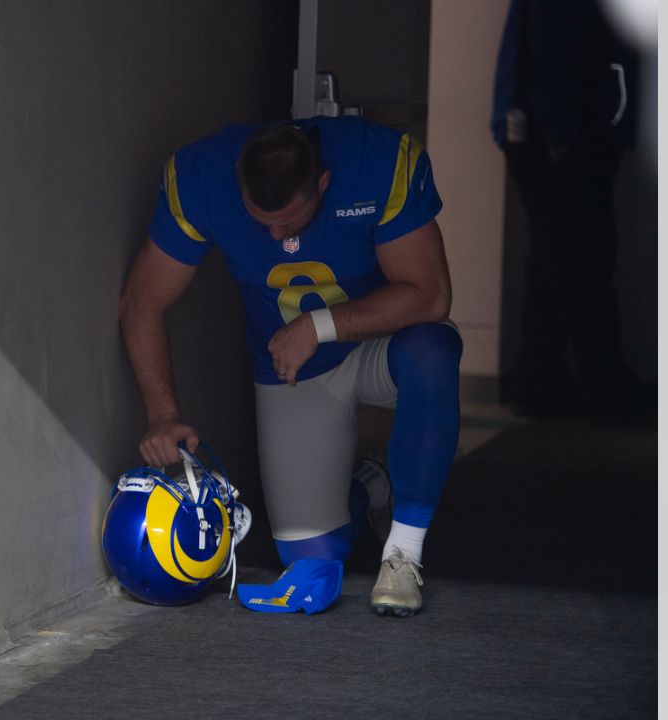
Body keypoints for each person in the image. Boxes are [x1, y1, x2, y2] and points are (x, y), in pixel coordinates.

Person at [119, 116, 462, 616]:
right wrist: (162, 414)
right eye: (263, 221)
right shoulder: (201, 177)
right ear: (237, 177)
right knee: (311, 561)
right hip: (292, 372)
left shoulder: (378, 163)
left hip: (379, 347)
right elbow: (141, 302)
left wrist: (319, 325)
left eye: (291, 221)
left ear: (324, 182)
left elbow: (431, 296)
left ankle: (403, 553)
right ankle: (369, 486)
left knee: (433, 351)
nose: (278, 235)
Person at [491, 0, 645, 417]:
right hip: (567, 133)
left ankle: (545, 376)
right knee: (582, 255)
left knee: (559, 254)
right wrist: (558, 130)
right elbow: (555, 47)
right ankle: (596, 379)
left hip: (558, 130)